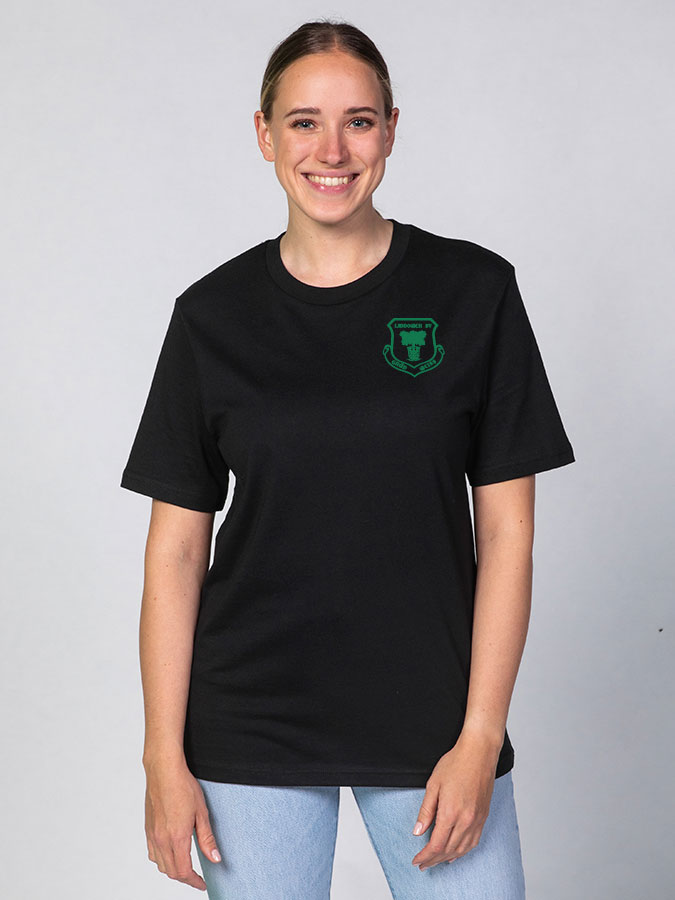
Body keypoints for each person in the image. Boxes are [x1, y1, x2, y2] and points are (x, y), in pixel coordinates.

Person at [120, 18, 575, 900]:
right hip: (250, 721)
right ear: (264, 134)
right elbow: (175, 551)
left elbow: (507, 536)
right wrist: (161, 758)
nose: (331, 150)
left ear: (390, 131)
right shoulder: (210, 317)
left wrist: (481, 734)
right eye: (303, 122)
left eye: (357, 121)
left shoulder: (473, 293)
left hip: (433, 721)